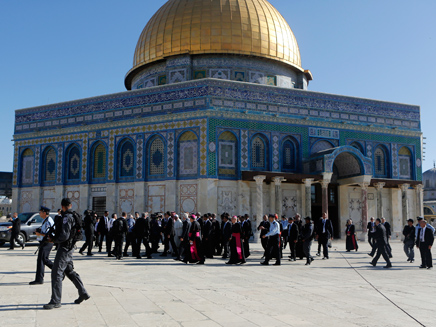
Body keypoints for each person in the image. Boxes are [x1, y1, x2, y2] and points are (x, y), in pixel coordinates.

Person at [44, 198, 89, 310]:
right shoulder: (73, 215)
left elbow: (64, 235)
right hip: (69, 247)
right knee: (69, 271)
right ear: (71, 205)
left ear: (62, 206)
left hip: (65, 247)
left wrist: (53, 240)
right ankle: (83, 293)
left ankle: (56, 301)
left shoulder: (67, 217)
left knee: (56, 272)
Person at [29, 206, 54, 285]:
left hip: (47, 242)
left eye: (40, 212)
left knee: (42, 260)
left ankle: (39, 279)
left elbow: (48, 234)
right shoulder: (45, 220)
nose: (39, 213)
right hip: (45, 242)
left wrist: (39, 234)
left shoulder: (48, 221)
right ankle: (59, 271)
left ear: (44, 213)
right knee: (44, 260)